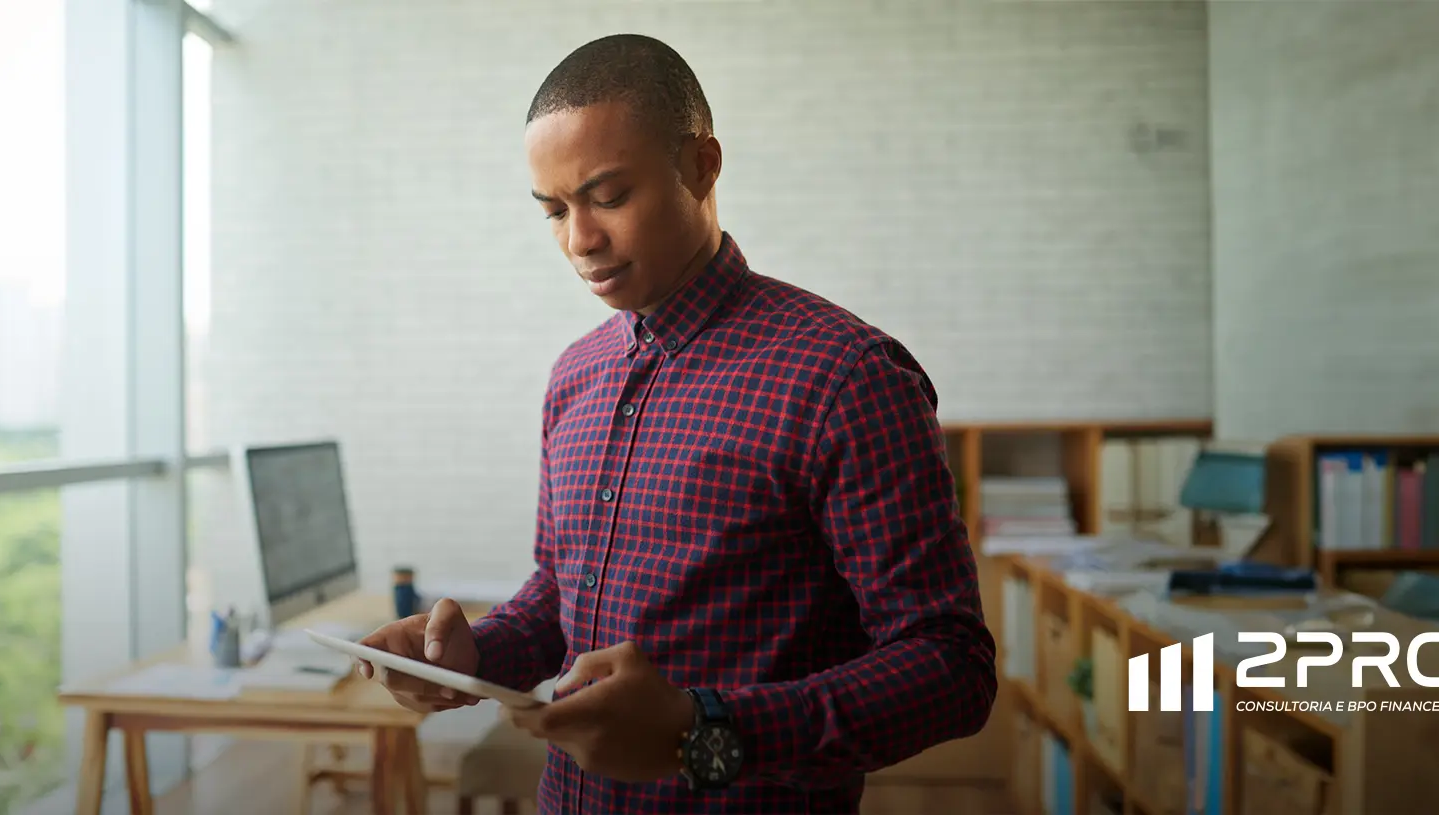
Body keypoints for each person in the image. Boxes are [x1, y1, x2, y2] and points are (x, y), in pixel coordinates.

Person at [355, 32, 997, 814]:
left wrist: (703, 732)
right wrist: (471, 655)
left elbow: (951, 665)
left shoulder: (844, 376)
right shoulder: (574, 376)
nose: (579, 241)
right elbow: (562, 592)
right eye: (554, 210)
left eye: (608, 196)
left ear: (700, 165)